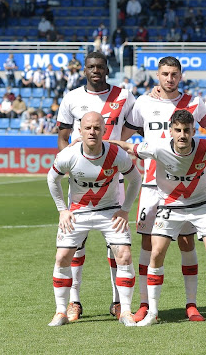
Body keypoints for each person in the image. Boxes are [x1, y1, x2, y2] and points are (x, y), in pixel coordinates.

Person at [121, 56, 206, 323]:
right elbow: (124, 137)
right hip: (152, 185)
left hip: (186, 186)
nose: (169, 79)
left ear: (181, 75)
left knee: (187, 242)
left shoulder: (194, 102)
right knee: (149, 244)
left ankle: (191, 305)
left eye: (174, 74)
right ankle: (145, 305)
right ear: (157, 75)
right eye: (165, 74)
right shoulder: (144, 102)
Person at [109, 109, 206, 329]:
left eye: (187, 130)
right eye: (178, 130)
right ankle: (153, 312)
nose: (182, 135)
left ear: (194, 131)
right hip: (170, 205)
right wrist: (100, 141)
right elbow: (128, 146)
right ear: (171, 131)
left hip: (202, 205)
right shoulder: (157, 147)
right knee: (156, 253)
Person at [57, 51, 137, 323]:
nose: (96, 71)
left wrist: (116, 147)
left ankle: (118, 303)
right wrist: (71, 164)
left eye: (100, 67)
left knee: (115, 246)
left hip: (115, 179)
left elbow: (135, 124)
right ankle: (74, 302)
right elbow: (63, 135)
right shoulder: (72, 97)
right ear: (85, 70)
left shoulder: (124, 96)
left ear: (106, 69)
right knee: (75, 246)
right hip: (82, 181)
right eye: (91, 66)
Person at [46, 111, 142, 327]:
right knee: (62, 257)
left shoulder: (117, 154)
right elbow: (52, 178)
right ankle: (61, 311)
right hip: (78, 211)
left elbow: (135, 178)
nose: (92, 132)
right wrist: (63, 209)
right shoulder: (68, 155)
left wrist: (125, 209)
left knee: (124, 255)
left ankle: (125, 310)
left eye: (97, 128)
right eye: (88, 128)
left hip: (110, 211)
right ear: (79, 131)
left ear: (104, 131)